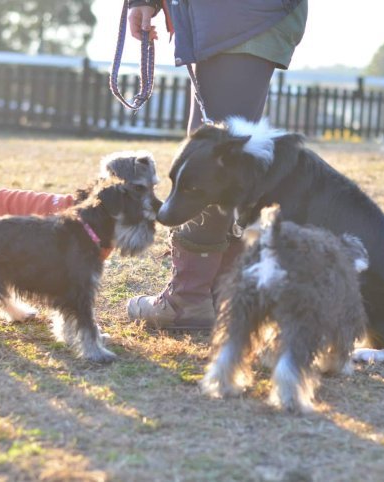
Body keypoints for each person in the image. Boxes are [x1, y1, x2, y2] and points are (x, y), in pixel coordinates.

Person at [125, 0, 308, 330]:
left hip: (238, 17)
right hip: (226, 18)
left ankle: (189, 299)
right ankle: (219, 296)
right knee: (219, 153)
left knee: (213, 160)